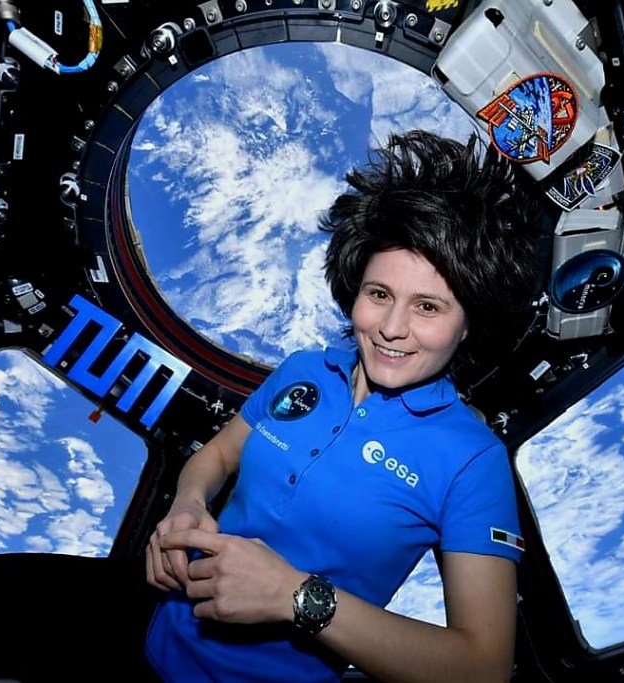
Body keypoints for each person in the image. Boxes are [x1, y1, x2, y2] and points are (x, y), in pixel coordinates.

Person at [144, 129, 542, 683]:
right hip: (156, 644)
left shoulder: (473, 462)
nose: (392, 328)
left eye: (428, 307)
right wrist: (186, 504)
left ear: (469, 324)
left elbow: (482, 666)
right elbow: (217, 455)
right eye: (380, 294)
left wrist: (293, 595)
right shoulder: (304, 370)